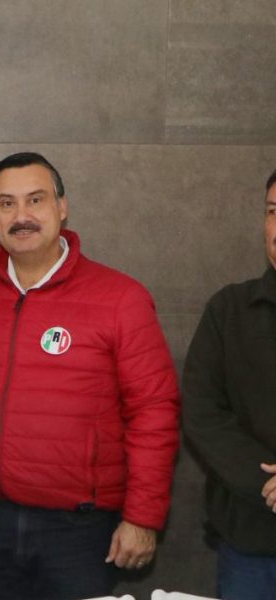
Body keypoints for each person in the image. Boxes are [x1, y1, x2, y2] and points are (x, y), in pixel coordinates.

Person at [0, 152, 180, 600]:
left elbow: (154, 411)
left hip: (79, 533)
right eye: (6, 203)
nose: (21, 216)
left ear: (62, 207)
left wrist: (142, 517)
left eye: (35, 199)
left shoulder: (120, 298)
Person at [182, 168, 276, 599]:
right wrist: (266, 484)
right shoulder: (229, 310)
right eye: (273, 211)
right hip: (250, 544)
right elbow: (202, 413)